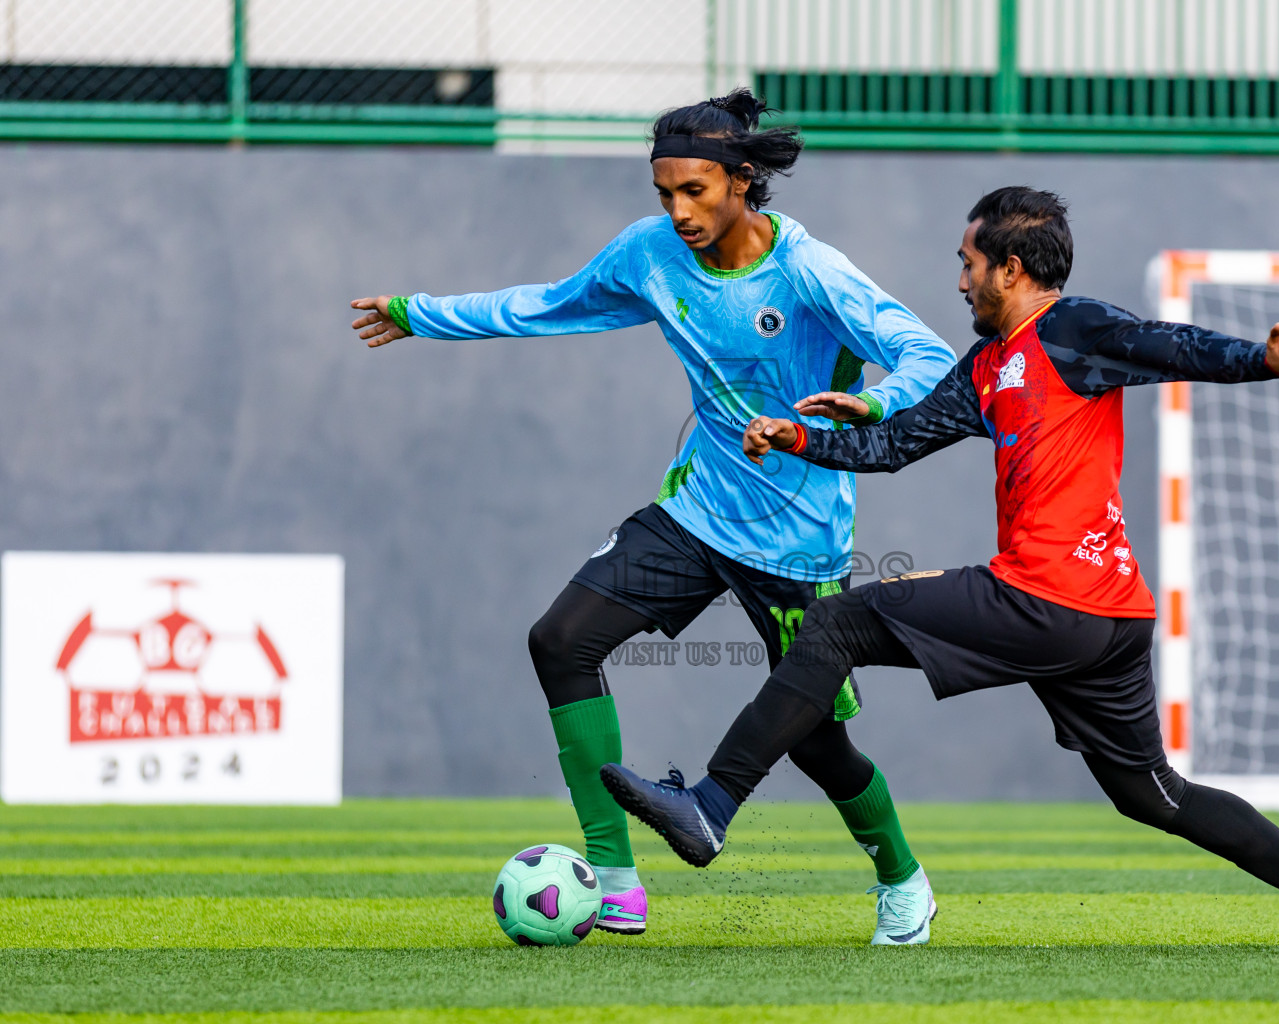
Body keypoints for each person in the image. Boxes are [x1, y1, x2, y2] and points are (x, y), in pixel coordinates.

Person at [600, 185, 1279, 956]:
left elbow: (1168, 344)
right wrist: (800, 437)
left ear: (1010, 268)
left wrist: (1263, 360)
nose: (959, 279)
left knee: (835, 622)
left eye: (968, 262)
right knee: (1152, 796)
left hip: (1048, 598)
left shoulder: (1073, 328)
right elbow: (893, 445)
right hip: (1108, 618)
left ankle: (711, 804)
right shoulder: (986, 367)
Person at [349, 88, 956, 944]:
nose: (676, 212)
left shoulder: (812, 273)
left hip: (799, 544)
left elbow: (929, 357)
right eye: (664, 193)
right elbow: (546, 305)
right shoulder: (650, 254)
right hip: (697, 513)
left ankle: (902, 879)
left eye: (695, 192)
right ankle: (618, 876)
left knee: (819, 745)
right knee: (559, 640)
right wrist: (420, 314)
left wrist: (872, 405)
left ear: (743, 182)